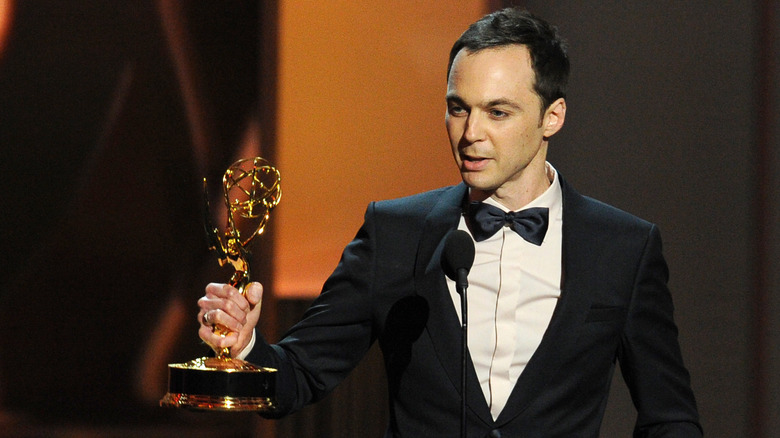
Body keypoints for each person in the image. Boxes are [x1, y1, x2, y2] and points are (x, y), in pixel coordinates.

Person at [197, 8, 702, 437]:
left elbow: (671, 418)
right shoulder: (394, 233)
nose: (470, 134)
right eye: (458, 109)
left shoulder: (623, 247)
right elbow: (302, 373)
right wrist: (245, 348)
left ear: (553, 116)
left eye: (498, 113)